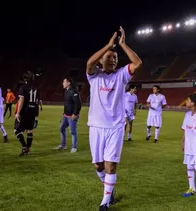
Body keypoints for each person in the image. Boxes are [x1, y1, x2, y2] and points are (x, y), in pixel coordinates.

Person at [86, 26, 142, 211]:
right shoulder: (94, 76)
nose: (112, 59)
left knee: (111, 166)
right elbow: (89, 63)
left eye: (115, 58)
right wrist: (108, 46)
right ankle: (108, 190)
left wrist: (122, 45)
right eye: (109, 57)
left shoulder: (121, 75)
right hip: (96, 126)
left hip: (116, 127)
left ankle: (105, 202)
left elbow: (137, 63)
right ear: (101, 60)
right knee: (98, 165)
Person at [15, 71, 40, 157]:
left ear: (24, 78)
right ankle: (27, 149)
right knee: (29, 130)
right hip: (33, 111)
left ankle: (25, 147)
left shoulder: (23, 87)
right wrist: (36, 114)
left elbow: (21, 101)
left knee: (17, 130)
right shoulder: (36, 88)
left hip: (25, 111)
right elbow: (37, 101)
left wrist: (18, 112)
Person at [53, 77, 82, 152]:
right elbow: (67, 103)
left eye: (64, 82)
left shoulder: (73, 91)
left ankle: (74, 147)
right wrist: (64, 113)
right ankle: (63, 145)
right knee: (61, 128)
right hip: (65, 115)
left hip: (72, 116)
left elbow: (78, 104)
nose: (63, 83)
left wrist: (75, 114)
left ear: (68, 83)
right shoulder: (66, 91)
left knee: (73, 132)